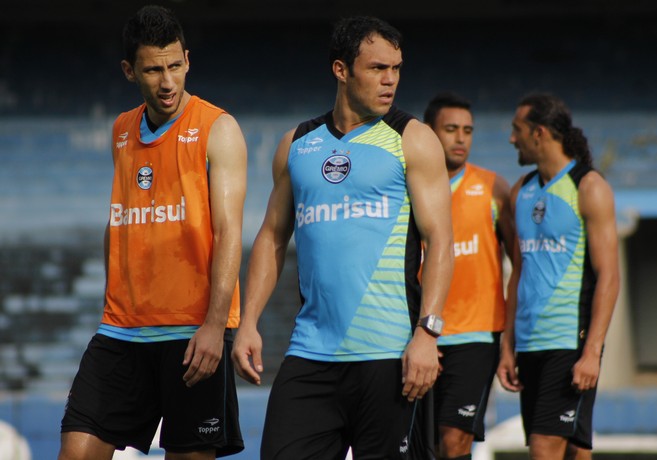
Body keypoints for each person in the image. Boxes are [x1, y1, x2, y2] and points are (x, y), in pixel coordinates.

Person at [231, 16, 453, 460]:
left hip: (390, 357)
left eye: (396, 68)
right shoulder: (296, 144)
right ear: (341, 70)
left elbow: (441, 241)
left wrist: (427, 335)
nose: (390, 80)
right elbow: (273, 237)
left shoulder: (413, 138)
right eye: (376, 68)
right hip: (311, 354)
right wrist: (248, 322)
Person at [59, 5, 247, 459]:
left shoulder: (217, 129)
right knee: (76, 451)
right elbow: (118, 219)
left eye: (175, 66)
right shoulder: (122, 130)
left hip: (191, 333)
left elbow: (228, 232)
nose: (167, 82)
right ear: (129, 71)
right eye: (153, 70)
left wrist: (215, 325)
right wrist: (115, 296)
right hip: (121, 331)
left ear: (187, 59)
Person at [497, 93, 620, 460]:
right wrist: (507, 346)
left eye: (516, 130)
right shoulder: (521, 190)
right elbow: (518, 272)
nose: (511, 139)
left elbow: (610, 277)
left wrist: (592, 353)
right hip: (530, 346)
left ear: (539, 133)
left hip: (569, 342)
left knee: (545, 448)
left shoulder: (589, 186)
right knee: (575, 452)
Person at [422, 92, 516, 460]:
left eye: (467, 130)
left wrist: (509, 339)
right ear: (429, 133)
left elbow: (520, 267)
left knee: (455, 440)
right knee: (419, 443)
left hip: (476, 335)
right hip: (416, 335)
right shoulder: (405, 188)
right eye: (450, 129)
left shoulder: (495, 189)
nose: (461, 138)